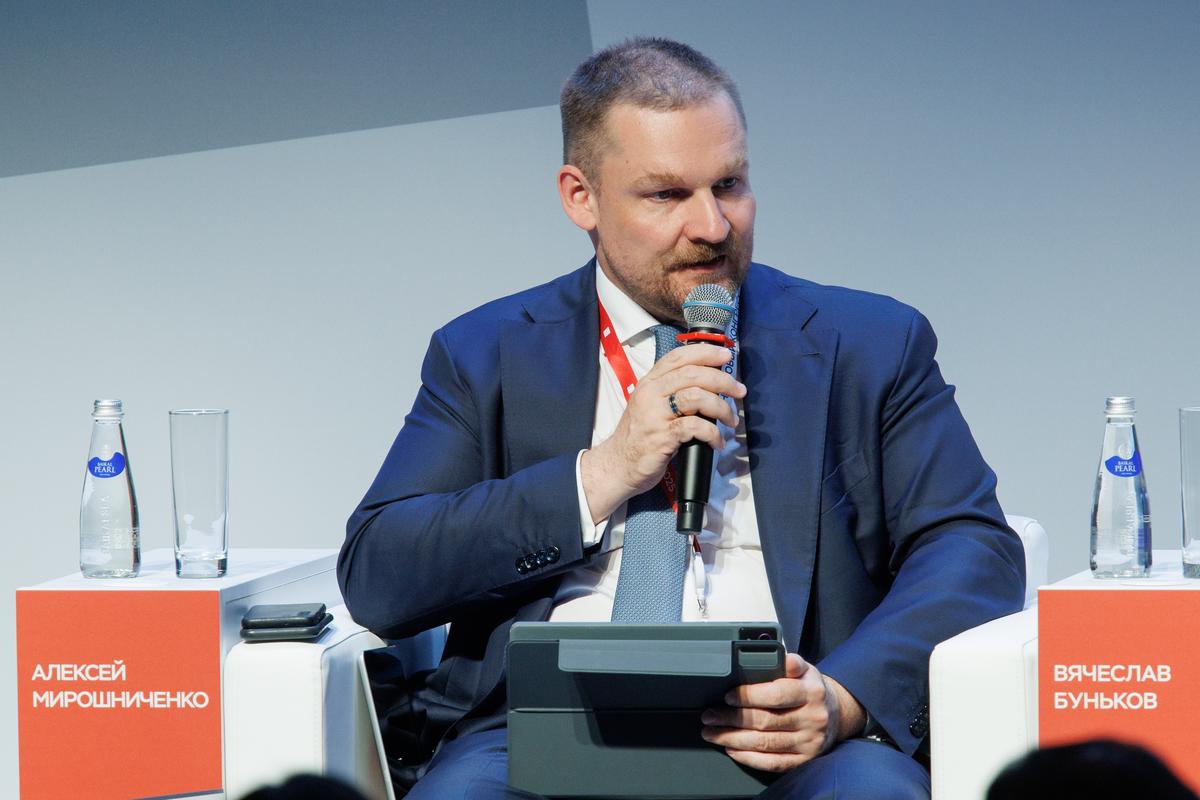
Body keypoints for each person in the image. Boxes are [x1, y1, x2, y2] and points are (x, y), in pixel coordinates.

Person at [339, 38, 1025, 799]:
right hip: (539, 736)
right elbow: (380, 573)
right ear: (581, 197)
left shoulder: (868, 342)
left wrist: (843, 699)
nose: (713, 225)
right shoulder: (488, 352)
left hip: (796, 737)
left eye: (729, 184)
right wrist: (602, 473)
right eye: (667, 195)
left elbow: (973, 547)